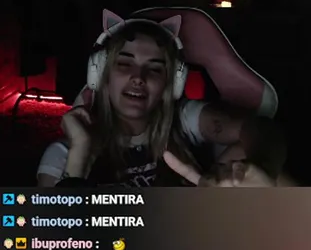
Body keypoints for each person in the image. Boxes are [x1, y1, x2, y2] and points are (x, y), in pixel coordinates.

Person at [36, 11, 287, 188]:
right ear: (100, 74)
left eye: (155, 69)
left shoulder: (182, 118)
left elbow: (260, 129)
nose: (138, 77)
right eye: (124, 64)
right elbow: (57, 239)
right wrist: (80, 155)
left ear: (172, 84)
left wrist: (261, 169)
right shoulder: (64, 153)